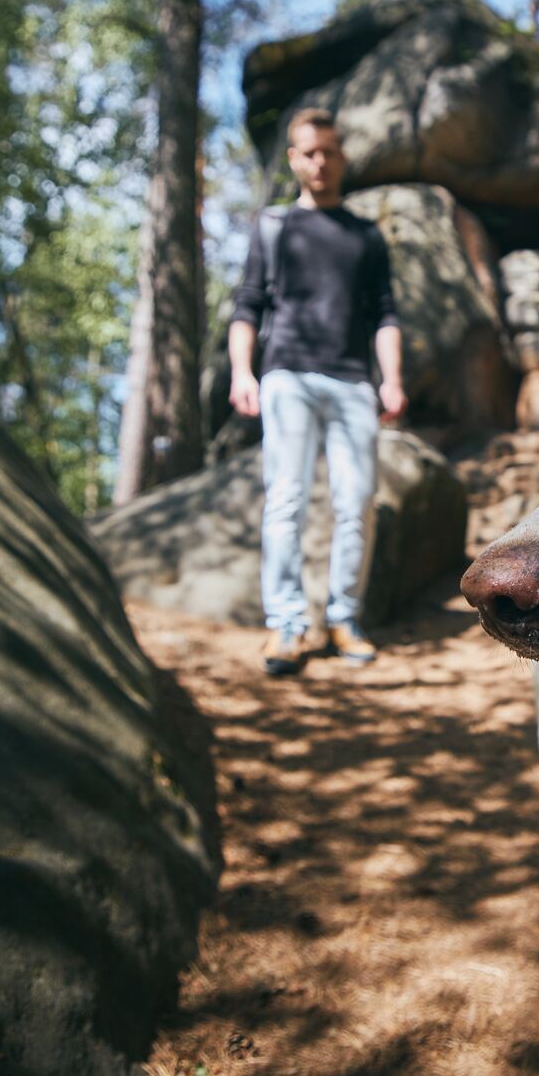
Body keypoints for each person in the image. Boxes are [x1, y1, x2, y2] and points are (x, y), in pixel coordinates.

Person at [228, 108, 407, 676]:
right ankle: (285, 624)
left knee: (356, 505)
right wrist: (241, 371)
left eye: (328, 151)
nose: (320, 161)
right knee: (287, 500)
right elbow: (248, 304)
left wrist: (392, 380)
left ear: (341, 155)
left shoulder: (365, 235)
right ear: (293, 159)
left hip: (353, 382)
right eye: (308, 152)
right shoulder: (273, 226)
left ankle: (344, 618)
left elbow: (385, 315)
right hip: (287, 377)